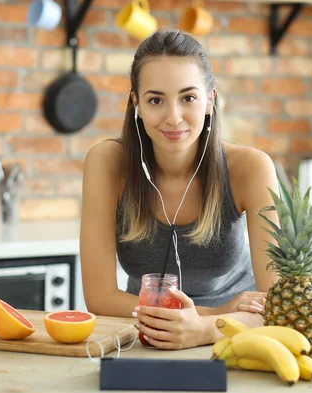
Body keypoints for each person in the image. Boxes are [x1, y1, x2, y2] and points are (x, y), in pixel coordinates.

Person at [80, 29, 279, 350]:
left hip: (239, 336)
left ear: (210, 101)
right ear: (137, 104)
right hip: (149, 332)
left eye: (188, 98)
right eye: (156, 100)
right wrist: (212, 314)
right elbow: (100, 298)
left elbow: (277, 304)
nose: (173, 118)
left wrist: (208, 328)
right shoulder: (107, 162)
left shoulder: (251, 168)